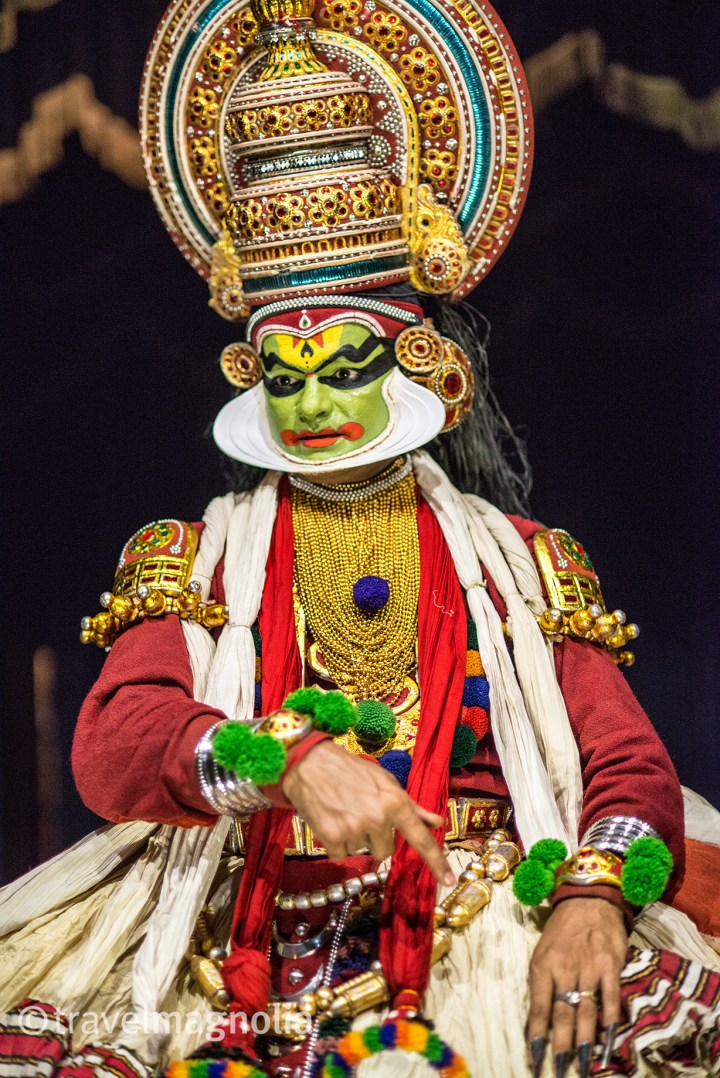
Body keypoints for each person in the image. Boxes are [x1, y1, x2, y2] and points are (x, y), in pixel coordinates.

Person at [1, 0, 719, 1076]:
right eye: (284, 374)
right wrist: (282, 757)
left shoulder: (519, 560)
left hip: (479, 922)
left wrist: (590, 901)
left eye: (345, 366)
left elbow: (628, 765)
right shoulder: (193, 556)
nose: (312, 402)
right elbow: (114, 741)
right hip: (228, 925)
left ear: (428, 370)